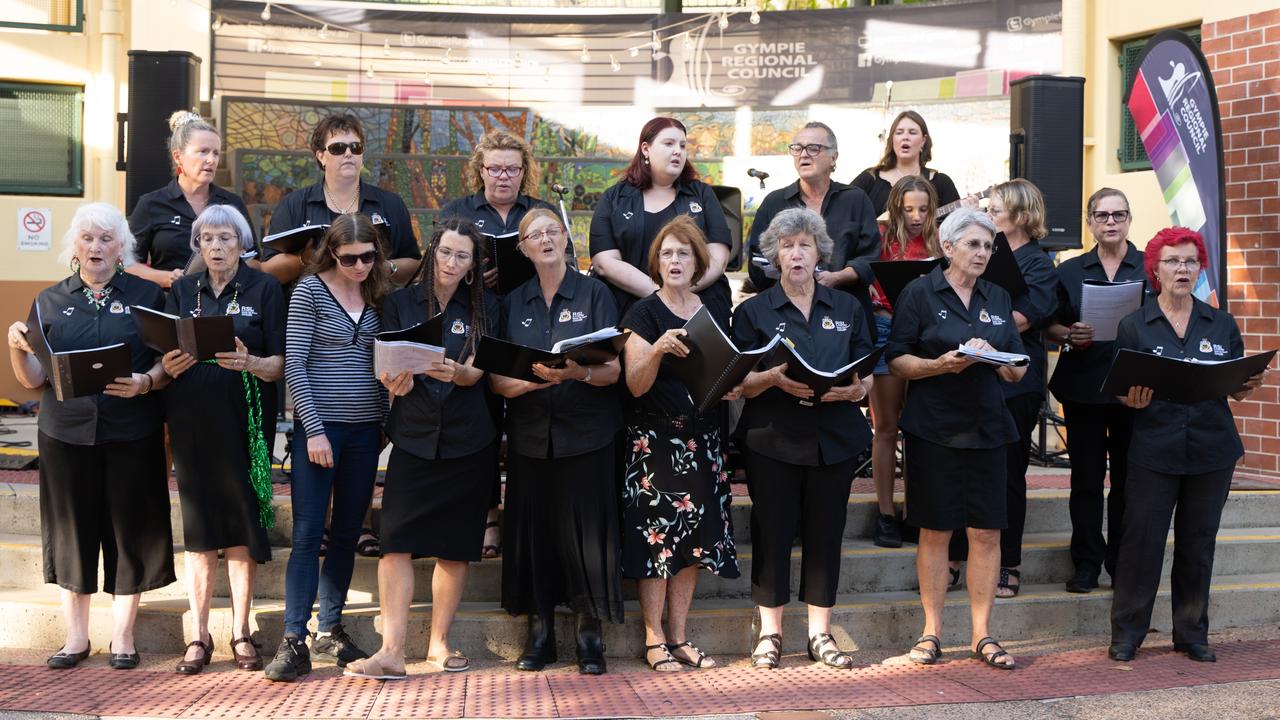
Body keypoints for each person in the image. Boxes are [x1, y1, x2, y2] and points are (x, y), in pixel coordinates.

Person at [7, 203, 174, 670]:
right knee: (72, 533)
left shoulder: (146, 296)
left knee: (129, 530)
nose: (96, 247)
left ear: (122, 247)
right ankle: (75, 638)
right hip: (65, 433)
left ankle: (123, 637)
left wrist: (147, 381)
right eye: (87, 239)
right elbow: (30, 377)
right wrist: (15, 347)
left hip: (132, 429)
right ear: (73, 247)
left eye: (106, 239)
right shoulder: (49, 300)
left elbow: (170, 359)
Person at [345, 218, 501, 679]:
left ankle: (438, 644)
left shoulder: (489, 308)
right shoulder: (399, 303)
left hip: (469, 436)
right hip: (412, 435)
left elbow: (487, 371)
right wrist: (393, 377)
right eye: (446, 253)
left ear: (473, 266)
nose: (451, 263)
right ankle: (391, 651)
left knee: (454, 548)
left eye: (462, 256)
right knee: (396, 543)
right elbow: (385, 363)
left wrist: (468, 375)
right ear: (432, 253)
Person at [1107, 228, 1266, 664]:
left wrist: (1244, 385)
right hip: (1154, 448)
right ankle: (1128, 633)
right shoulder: (1134, 325)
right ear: (1155, 269)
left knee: (1198, 543)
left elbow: (1235, 382)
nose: (1183, 269)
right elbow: (1120, 387)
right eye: (1174, 261)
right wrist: (1129, 397)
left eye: (1191, 262)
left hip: (1212, 449)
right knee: (1142, 543)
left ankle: (1191, 632)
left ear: (1200, 269)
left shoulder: (1222, 322)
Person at [731, 208, 874, 670]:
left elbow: (866, 372)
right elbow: (738, 384)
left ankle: (820, 633)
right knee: (771, 532)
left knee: (825, 533)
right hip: (773, 437)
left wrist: (858, 390)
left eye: (805, 245)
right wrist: (769, 379)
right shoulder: (752, 311)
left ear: (819, 254)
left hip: (833, 436)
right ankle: (770, 633)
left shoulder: (848, 308)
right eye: (787, 246)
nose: (796, 253)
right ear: (774, 255)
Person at [886, 208, 1026, 670]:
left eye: (988, 246)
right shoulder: (919, 292)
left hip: (988, 426)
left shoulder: (998, 296)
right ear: (948, 247)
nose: (982, 253)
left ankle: (983, 634)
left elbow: (1017, 367)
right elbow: (898, 360)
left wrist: (999, 360)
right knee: (935, 527)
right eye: (973, 244)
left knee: (986, 530)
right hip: (934, 427)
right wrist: (937, 366)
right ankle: (931, 633)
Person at [491, 208, 624, 675]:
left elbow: (613, 371)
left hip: (587, 436)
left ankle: (591, 637)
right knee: (537, 539)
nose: (545, 239)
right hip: (530, 439)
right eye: (534, 235)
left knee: (588, 540)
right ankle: (541, 634)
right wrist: (540, 382)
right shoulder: (512, 302)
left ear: (566, 238)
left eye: (552, 231)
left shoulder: (595, 293)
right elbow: (499, 383)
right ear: (523, 248)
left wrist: (578, 372)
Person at [264, 214, 391, 682]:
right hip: (321, 430)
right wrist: (313, 430)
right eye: (350, 257)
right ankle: (293, 637)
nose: (360, 265)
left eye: (368, 256)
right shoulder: (310, 291)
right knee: (307, 534)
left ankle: (330, 627)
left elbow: (385, 358)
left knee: (345, 534)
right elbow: (294, 365)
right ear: (332, 253)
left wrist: (384, 424)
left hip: (365, 433)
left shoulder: (378, 295)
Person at [162, 204, 286, 675]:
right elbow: (164, 355)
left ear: (242, 243)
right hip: (192, 420)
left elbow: (281, 364)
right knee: (199, 531)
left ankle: (240, 630)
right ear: (198, 245)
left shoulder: (265, 288)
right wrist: (168, 366)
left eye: (225, 238)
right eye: (207, 239)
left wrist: (250, 362)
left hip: (245, 421)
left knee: (239, 527)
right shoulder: (181, 290)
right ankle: (198, 635)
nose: (216, 247)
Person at [619, 215, 740, 672]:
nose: (674, 260)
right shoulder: (643, 313)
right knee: (656, 543)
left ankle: (680, 636)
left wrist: (731, 384)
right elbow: (633, 383)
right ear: (656, 262)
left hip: (703, 439)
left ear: (697, 262)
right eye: (666, 253)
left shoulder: (711, 310)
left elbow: (722, 368)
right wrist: (656, 349)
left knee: (691, 541)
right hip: (654, 442)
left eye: (682, 253)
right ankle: (653, 639)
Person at [440, 129, 561, 559]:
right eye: (494, 168)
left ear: (524, 171)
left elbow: (560, 261)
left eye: (512, 169)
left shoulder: (540, 212)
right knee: (484, 421)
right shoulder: (459, 211)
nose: (503, 177)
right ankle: (488, 516)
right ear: (480, 169)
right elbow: (440, 266)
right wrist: (477, 274)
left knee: (531, 414)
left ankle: (531, 514)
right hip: (479, 323)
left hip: (533, 321)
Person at [948, 178, 1058, 598]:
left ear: (1022, 215)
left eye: (995, 211)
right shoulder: (982, 252)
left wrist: (963, 327)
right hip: (972, 380)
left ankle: (1007, 563)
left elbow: (1023, 319)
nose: (988, 217)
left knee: (1007, 475)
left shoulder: (1037, 264)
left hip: (1015, 385)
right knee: (963, 472)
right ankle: (956, 557)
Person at [1046, 188, 1146, 593]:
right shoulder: (1069, 270)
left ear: (1128, 220)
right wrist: (1069, 334)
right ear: (1089, 221)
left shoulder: (1149, 266)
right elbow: (1047, 323)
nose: (1110, 222)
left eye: (1118, 215)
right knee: (1086, 480)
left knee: (1127, 481)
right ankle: (1086, 563)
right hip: (1083, 385)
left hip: (1133, 389)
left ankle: (1121, 562)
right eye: (1102, 215)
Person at [589, 116, 732, 322]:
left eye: (683, 146)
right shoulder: (614, 198)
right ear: (646, 149)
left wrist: (681, 292)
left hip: (697, 306)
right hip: (630, 310)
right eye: (669, 143)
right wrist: (662, 295)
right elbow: (605, 262)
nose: (678, 151)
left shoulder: (702, 194)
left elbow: (719, 257)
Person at [260, 113, 421, 287]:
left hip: (376, 309)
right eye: (338, 148)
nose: (348, 153)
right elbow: (268, 270)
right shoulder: (294, 204)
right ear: (321, 156)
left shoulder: (390, 204)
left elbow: (414, 265)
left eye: (355, 147)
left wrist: (379, 266)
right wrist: (304, 259)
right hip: (311, 310)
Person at [745, 121, 881, 324]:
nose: (803, 154)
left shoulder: (855, 199)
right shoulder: (775, 202)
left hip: (846, 316)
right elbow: (757, 261)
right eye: (797, 148)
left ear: (833, 157)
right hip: (787, 317)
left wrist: (837, 277)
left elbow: (870, 259)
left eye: (813, 148)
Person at [866, 175, 940, 548]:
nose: (916, 216)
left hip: (926, 334)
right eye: (908, 208)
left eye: (923, 209)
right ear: (895, 207)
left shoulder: (938, 239)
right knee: (886, 426)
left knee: (920, 425)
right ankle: (885, 514)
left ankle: (916, 511)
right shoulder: (880, 237)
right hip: (884, 326)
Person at [128, 111, 254, 288]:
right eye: (203, 152)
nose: (211, 160)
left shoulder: (232, 203)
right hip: (170, 302)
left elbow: (253, 259)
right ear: (178, 157)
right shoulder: (151, 204)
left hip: (224, 302)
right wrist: (167, 278)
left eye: (216, 153)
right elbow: (128, 263)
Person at [851, 110, 961, 218]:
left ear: (923, 140)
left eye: (912, 132)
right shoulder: (870, 178)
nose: (905, 137)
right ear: (892, 140)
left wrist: (969, 212)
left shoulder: (942, 183)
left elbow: (956, 227)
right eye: (899, 132)